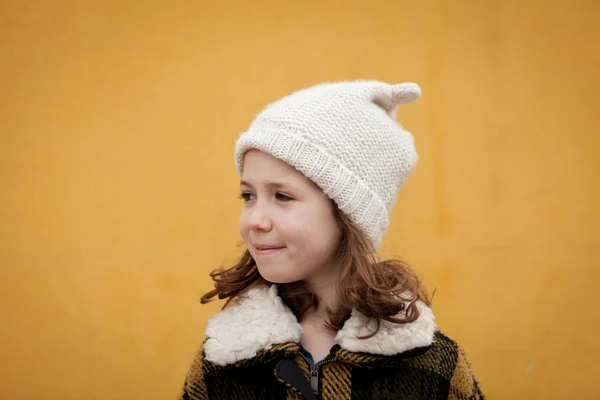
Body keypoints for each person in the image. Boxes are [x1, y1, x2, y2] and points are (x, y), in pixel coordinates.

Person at [180, 80, 484, 400]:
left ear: (348, 213)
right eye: (248, 195)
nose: (254, 220)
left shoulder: (430, 363)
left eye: (282, 196)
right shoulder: (223, 360)